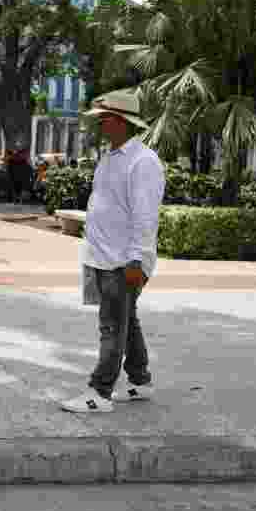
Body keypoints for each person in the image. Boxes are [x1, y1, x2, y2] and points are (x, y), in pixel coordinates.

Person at [61, 89, 165, 414]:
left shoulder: (143, 161)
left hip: (124, 260)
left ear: (120, 121)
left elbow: (145, 216)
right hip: (103, 256)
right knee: (125, 320)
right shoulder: (111, 157)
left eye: (104, 118)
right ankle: (140, 380)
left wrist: (136, 259)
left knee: (112, 326)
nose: (100, 124)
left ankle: (99, 393)